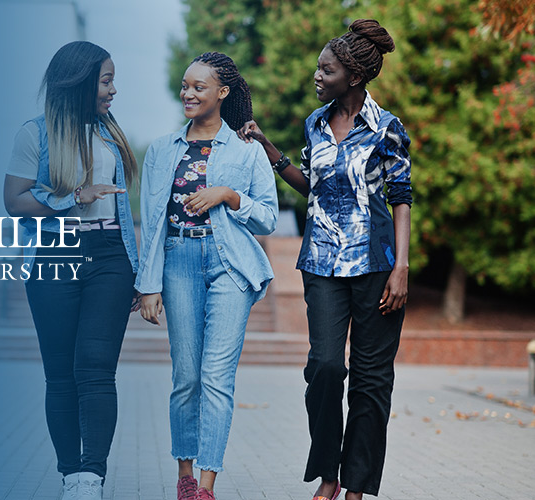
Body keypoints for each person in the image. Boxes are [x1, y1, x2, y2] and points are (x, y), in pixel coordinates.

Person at [238, 19, 411, 500]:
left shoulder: (387, 129)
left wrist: (401, 267)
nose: (317, 76)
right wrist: (269, 149)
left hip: (377, 266)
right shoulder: (315, 124)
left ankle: (354, 485)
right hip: (321, 263)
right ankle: (327, 472)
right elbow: (312, 186)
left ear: (353, 76)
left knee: (372, 381)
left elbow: (401, 199)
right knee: (326, 367)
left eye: (326, 69)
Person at [3, 41, 140, 500]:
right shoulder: (35, 134)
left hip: (109, 256)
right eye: (106, 80)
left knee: (97, 368)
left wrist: (140, 273)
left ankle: (90, 477)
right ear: (80, 81)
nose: (113, 89)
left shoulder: (110, 133)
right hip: (55, 253)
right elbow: (14, 201)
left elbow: (123, 212)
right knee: (60, 373)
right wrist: (71, 197)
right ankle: (69, 475)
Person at [138, 52, 278, 500]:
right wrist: (149, 283)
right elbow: (152, 218)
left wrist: (230, 196)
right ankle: (183, 476)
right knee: (187, 377)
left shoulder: (248, 151)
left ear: (223, 93)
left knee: (218, 377)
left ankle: (205, 486)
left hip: (229, 265)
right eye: (185, 85)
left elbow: (269, 219)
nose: (188, 93)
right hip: (178, 260)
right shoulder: (162, 150)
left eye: (199, 87)